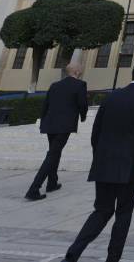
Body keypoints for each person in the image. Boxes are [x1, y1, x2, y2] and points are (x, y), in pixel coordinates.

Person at [63, 58, 134, 262]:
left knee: (102, 211)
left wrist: (101, 158)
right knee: (123, 216)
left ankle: (73, 252)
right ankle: (112, 258)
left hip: (105, 165)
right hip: (129, 168)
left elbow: (96, 134)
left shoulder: (112, 97)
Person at [26, 62, 89, 201]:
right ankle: (34, 188)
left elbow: (46, 105)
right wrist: (83, 117)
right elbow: (83, 104)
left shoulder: (55, 85)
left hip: (50, 124)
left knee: (55, 152)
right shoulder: (80, 85)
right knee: (53, 154)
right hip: (64, 125)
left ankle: (52, 182)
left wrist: (43, 121)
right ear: (77, 72)